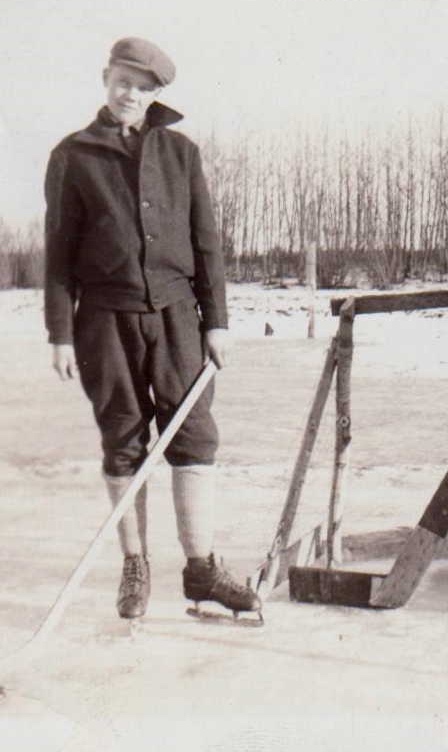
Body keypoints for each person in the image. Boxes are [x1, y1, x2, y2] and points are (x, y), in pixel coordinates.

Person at [44, 37, 260, 621]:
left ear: (158, 94)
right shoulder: (73, 155)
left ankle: (202, 569)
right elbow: (59, 254)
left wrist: (216, 322)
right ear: (105, 78)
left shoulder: (180, 152)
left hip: (176, 317)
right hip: (104, 321)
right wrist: (60, 333)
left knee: (192, 435)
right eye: (122, 81)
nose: (130, 94)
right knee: (124, 437)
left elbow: (206, 244)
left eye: (143, 87)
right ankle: (135, 565)